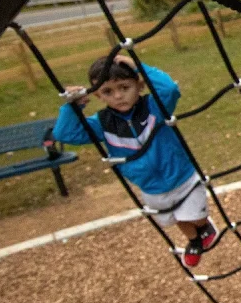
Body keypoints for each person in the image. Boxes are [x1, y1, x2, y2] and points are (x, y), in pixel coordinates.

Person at [54, 54, 217, 268]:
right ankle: (194, 240)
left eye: (124, 87)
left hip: (182, 176)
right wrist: (73, 106)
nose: (118, 96)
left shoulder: (154, 107)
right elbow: (66, 133)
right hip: (150, 186)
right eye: (108, 91)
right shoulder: (102, 124)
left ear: (139, 85)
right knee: (176, 219)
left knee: (193, 216)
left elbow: (169, 89)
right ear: (99, 96)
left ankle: (204, 227)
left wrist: (138, 66)